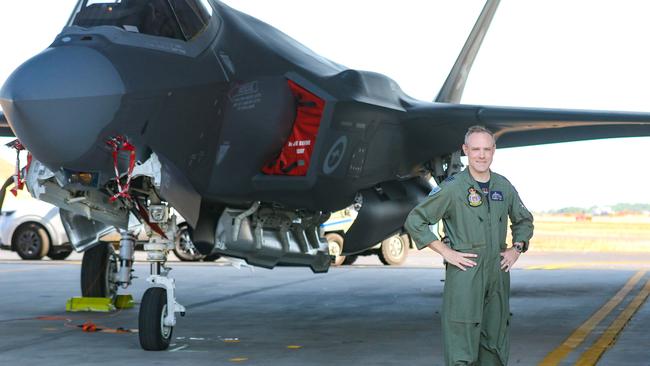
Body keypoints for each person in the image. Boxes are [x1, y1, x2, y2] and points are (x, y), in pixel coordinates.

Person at [405, 125, 534, 365]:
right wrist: (446, 252)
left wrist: (516, 249)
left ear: (494, 150)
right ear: (466, 150)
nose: (481, 155)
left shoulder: (503, 187)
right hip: (466, 273)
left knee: (495, 341)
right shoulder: (452, 188)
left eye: (487, 149)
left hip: (498, 271)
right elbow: (416, 221)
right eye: (475, 149)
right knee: (461, 344)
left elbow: (524, 220)